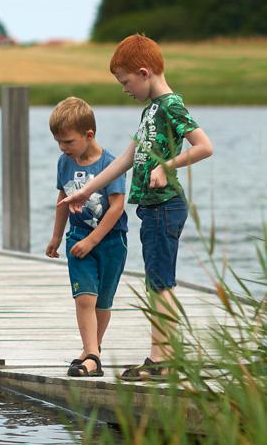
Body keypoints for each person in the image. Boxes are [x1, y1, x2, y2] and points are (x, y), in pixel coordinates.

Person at [60, 34, 213, 380]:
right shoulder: (150, 111)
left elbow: (204, 146)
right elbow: (126, 160)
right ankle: (166, 356)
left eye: (126, 82)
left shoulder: (171, 106)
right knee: (159, 281)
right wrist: (86, 191)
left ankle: (161, 360)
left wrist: (166, 166)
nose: (125, 89)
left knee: (159, 283)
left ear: (144, 73)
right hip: (152, 208)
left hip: (165, 205)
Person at [45, 97, 128, 378]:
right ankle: (92, 355)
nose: (62, 148)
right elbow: (63, 197)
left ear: (88, 135)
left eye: (67, 141)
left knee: (103, 302)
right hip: (78, 238)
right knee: (84, 298)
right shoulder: (64, 163)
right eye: (58, 142)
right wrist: (57, 236)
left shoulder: (110, 164)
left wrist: (95, 240)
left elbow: (117, 206)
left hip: (111, 240)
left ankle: (92, 350)